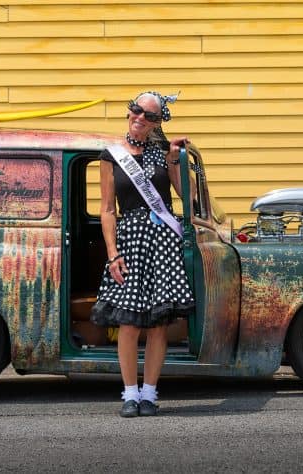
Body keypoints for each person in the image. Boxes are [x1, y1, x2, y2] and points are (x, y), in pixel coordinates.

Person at [90, 91, 195, 417]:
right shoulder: (112, 155)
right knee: (128, 324)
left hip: (162, 240)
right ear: (129, 112)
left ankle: (150, 393)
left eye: (150, 116)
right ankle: (130, 395)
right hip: (130, 242)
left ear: (157, 123)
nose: (141, 118)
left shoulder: (163, 152)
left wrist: (176, 158)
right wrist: (112, 253)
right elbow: (108, 210)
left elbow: (185, 196)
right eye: (137, 110)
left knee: (158, 323)